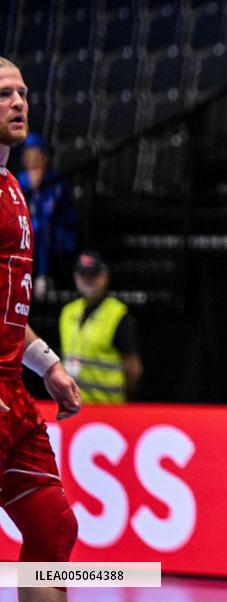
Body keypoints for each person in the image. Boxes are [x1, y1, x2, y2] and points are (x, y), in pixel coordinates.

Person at [0, 56, 83, 601]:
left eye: (24, 92)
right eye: (4, 93)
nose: (18, 102)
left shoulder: (14, 188)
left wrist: (48, 364)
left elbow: (12, 309)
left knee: (53, 529)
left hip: (13, 390)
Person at [59, 251, 142, 403]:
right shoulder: (67, 312)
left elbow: (132, 366)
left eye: (93, 275)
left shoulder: (118, 313)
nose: (87, 280)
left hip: (108, 407)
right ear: (76, 277)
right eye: (82, 274)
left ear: (104, 276)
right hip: (72, 404)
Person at [16, 133, 78, 297]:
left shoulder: (56, 182)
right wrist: (30, 188)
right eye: (29, 156)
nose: (33, 161)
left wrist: (37, 189)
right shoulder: (19, 181)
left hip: (57, 234)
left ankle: (43, 276)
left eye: (37, 156)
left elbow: (53, 214)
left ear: (45, 158)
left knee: (39, 226)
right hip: (28, 233)